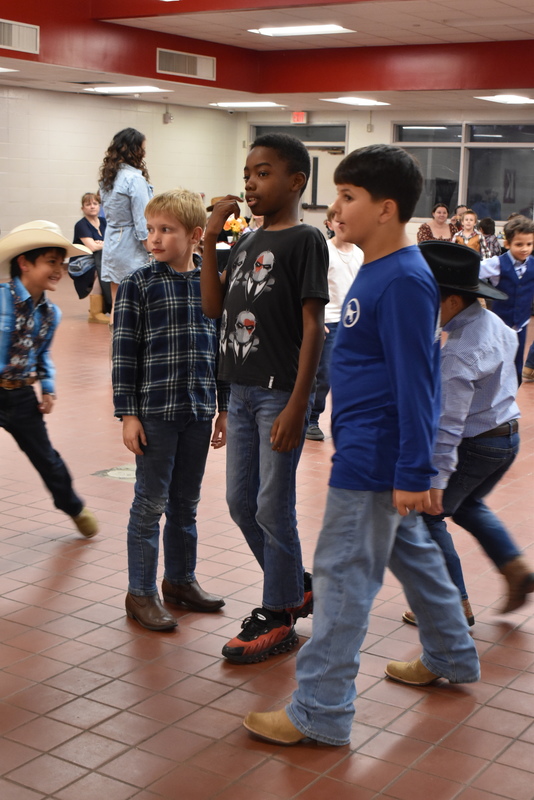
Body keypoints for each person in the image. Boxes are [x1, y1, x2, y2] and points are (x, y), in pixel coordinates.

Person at [241, 144, 479, 747]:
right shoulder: (374, 269)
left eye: (349, 197)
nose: (336, 208)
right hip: (369, 449)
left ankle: (320, 710)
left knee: (342, 577)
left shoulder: (402, 279)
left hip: (375, 457)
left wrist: (414, 470)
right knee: (413, 555)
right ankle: (452, 654)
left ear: (386, 208)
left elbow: (418, 383)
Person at [200, 132, 329, 663]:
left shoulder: (306, 241)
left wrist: (300, 404)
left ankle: (279, 615)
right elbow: (213, 308)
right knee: (240, 502)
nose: (251, 183)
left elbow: (314, 325)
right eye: (248, 173)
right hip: (243, 390)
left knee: (274, 505)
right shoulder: (247, 241)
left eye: (264, 172)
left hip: (280, 395)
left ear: (296, 181)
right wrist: (210, 239)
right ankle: (295, 586)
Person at [112, 189, 228, 631]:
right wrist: (128, 413)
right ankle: (139, 593)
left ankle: (179, 581)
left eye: (166, 230)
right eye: (151, 230)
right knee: (150, 502)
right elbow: (124, 354)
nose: (154, 239)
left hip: (198, 411)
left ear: (196, 235)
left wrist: (224, 409)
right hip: (155, 413)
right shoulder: (139, 285)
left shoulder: (210, 285)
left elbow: (222, 354)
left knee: (186, 503)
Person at [402, 241, 532, 628]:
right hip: (507, 436)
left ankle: (452, 605)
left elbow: (449, 424)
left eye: (429, 298)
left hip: (478, 444)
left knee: (429, 516)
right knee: (469, 505)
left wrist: (436, 479)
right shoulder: (494, 324)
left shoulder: (458, 353)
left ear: (454, 301)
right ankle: (515, 569)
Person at [0, 221, 99, 539]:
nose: (58, 270)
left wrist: (48, 388)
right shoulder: (0, 298)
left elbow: (41, 355)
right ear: (25, 263)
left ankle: (73, 507)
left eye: (61, 263)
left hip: (20, 397)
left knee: (46, 457)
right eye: (50, 262)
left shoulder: (50, 314)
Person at [306, 203, 363, 441]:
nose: (343, 224)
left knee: (352, 376)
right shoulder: (324, 251)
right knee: (324, 374)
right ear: (329, 224)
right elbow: (313, 288)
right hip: (329, 321)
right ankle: (311, 419)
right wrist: (319, 319)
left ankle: (349, 421)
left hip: (354, 323)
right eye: (337, 221)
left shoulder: (360, 253)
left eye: (347, 220)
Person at [99, 128, 153, 317]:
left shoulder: (108, 177)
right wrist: (151, 248)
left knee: (117, 304)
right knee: (134, 307)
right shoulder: (134, 179)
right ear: (135, 150)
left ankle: (114, 346)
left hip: (113, 242)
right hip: (131, 245)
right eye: (143, 148)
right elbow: (142, 219)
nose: (144, 153)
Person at [479, 215, 534, 384]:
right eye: (519, 244)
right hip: (499, 326)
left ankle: (510, 400)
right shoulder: (497, 263)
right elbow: (474, 272)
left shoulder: (532, 264)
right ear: (507, 244)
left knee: (516, 367)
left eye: (529, 244)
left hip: (521, 325)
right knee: (495, 365)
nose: (525, 249)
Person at [71, 192, 110, 324]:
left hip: (100, 258)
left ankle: (105, 306)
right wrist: (105, 244)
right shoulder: (81, 225)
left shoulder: (105, 222)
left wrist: (102, 244)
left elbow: (113, 241)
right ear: (83, 208)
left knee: (107, 268)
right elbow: (92, 247)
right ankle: (95, 312)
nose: (92, 207)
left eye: (95, 203)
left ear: (99, 206)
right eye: (88, 204)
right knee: (100, 271)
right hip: (81, 263)